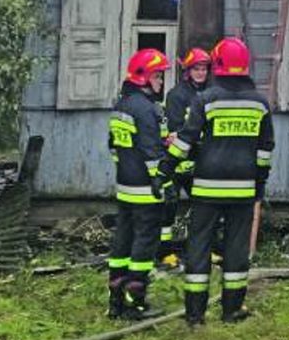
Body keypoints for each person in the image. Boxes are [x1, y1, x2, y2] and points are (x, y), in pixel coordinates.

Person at [161, 37, 274, 325]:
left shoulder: (206, 100)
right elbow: (264, 151)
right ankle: (232, 311)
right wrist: (259, 185)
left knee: (199, 247)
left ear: (217, 66)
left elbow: (185, 141)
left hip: (207, 188)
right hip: (243, 190)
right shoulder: (260, 104)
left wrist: (165, 170)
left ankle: (195, 315)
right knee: (236, 250)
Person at [107, 48, 171, 320]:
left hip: (125, 185)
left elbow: (114, 147)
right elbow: (151, 152)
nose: (161, 81)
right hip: (146, 189)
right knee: (144, 244)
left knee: (122, 242)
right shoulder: (146, 109)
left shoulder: (121, 105)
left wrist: (127, 166)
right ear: (144, 77)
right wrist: (162, 181)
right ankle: (135, 303)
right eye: (158, 76)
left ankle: (116, 301)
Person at [158, 47, 211, 247]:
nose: (201, 73)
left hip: (201, 161)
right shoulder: (176, 95)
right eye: (196, 69)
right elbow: (175, 131)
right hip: (178, 160)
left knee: (205, 207)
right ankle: (164, 250)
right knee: (169, 204)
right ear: (188, 71)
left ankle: (201, 247)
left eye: (204, 69)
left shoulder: (211, 93)